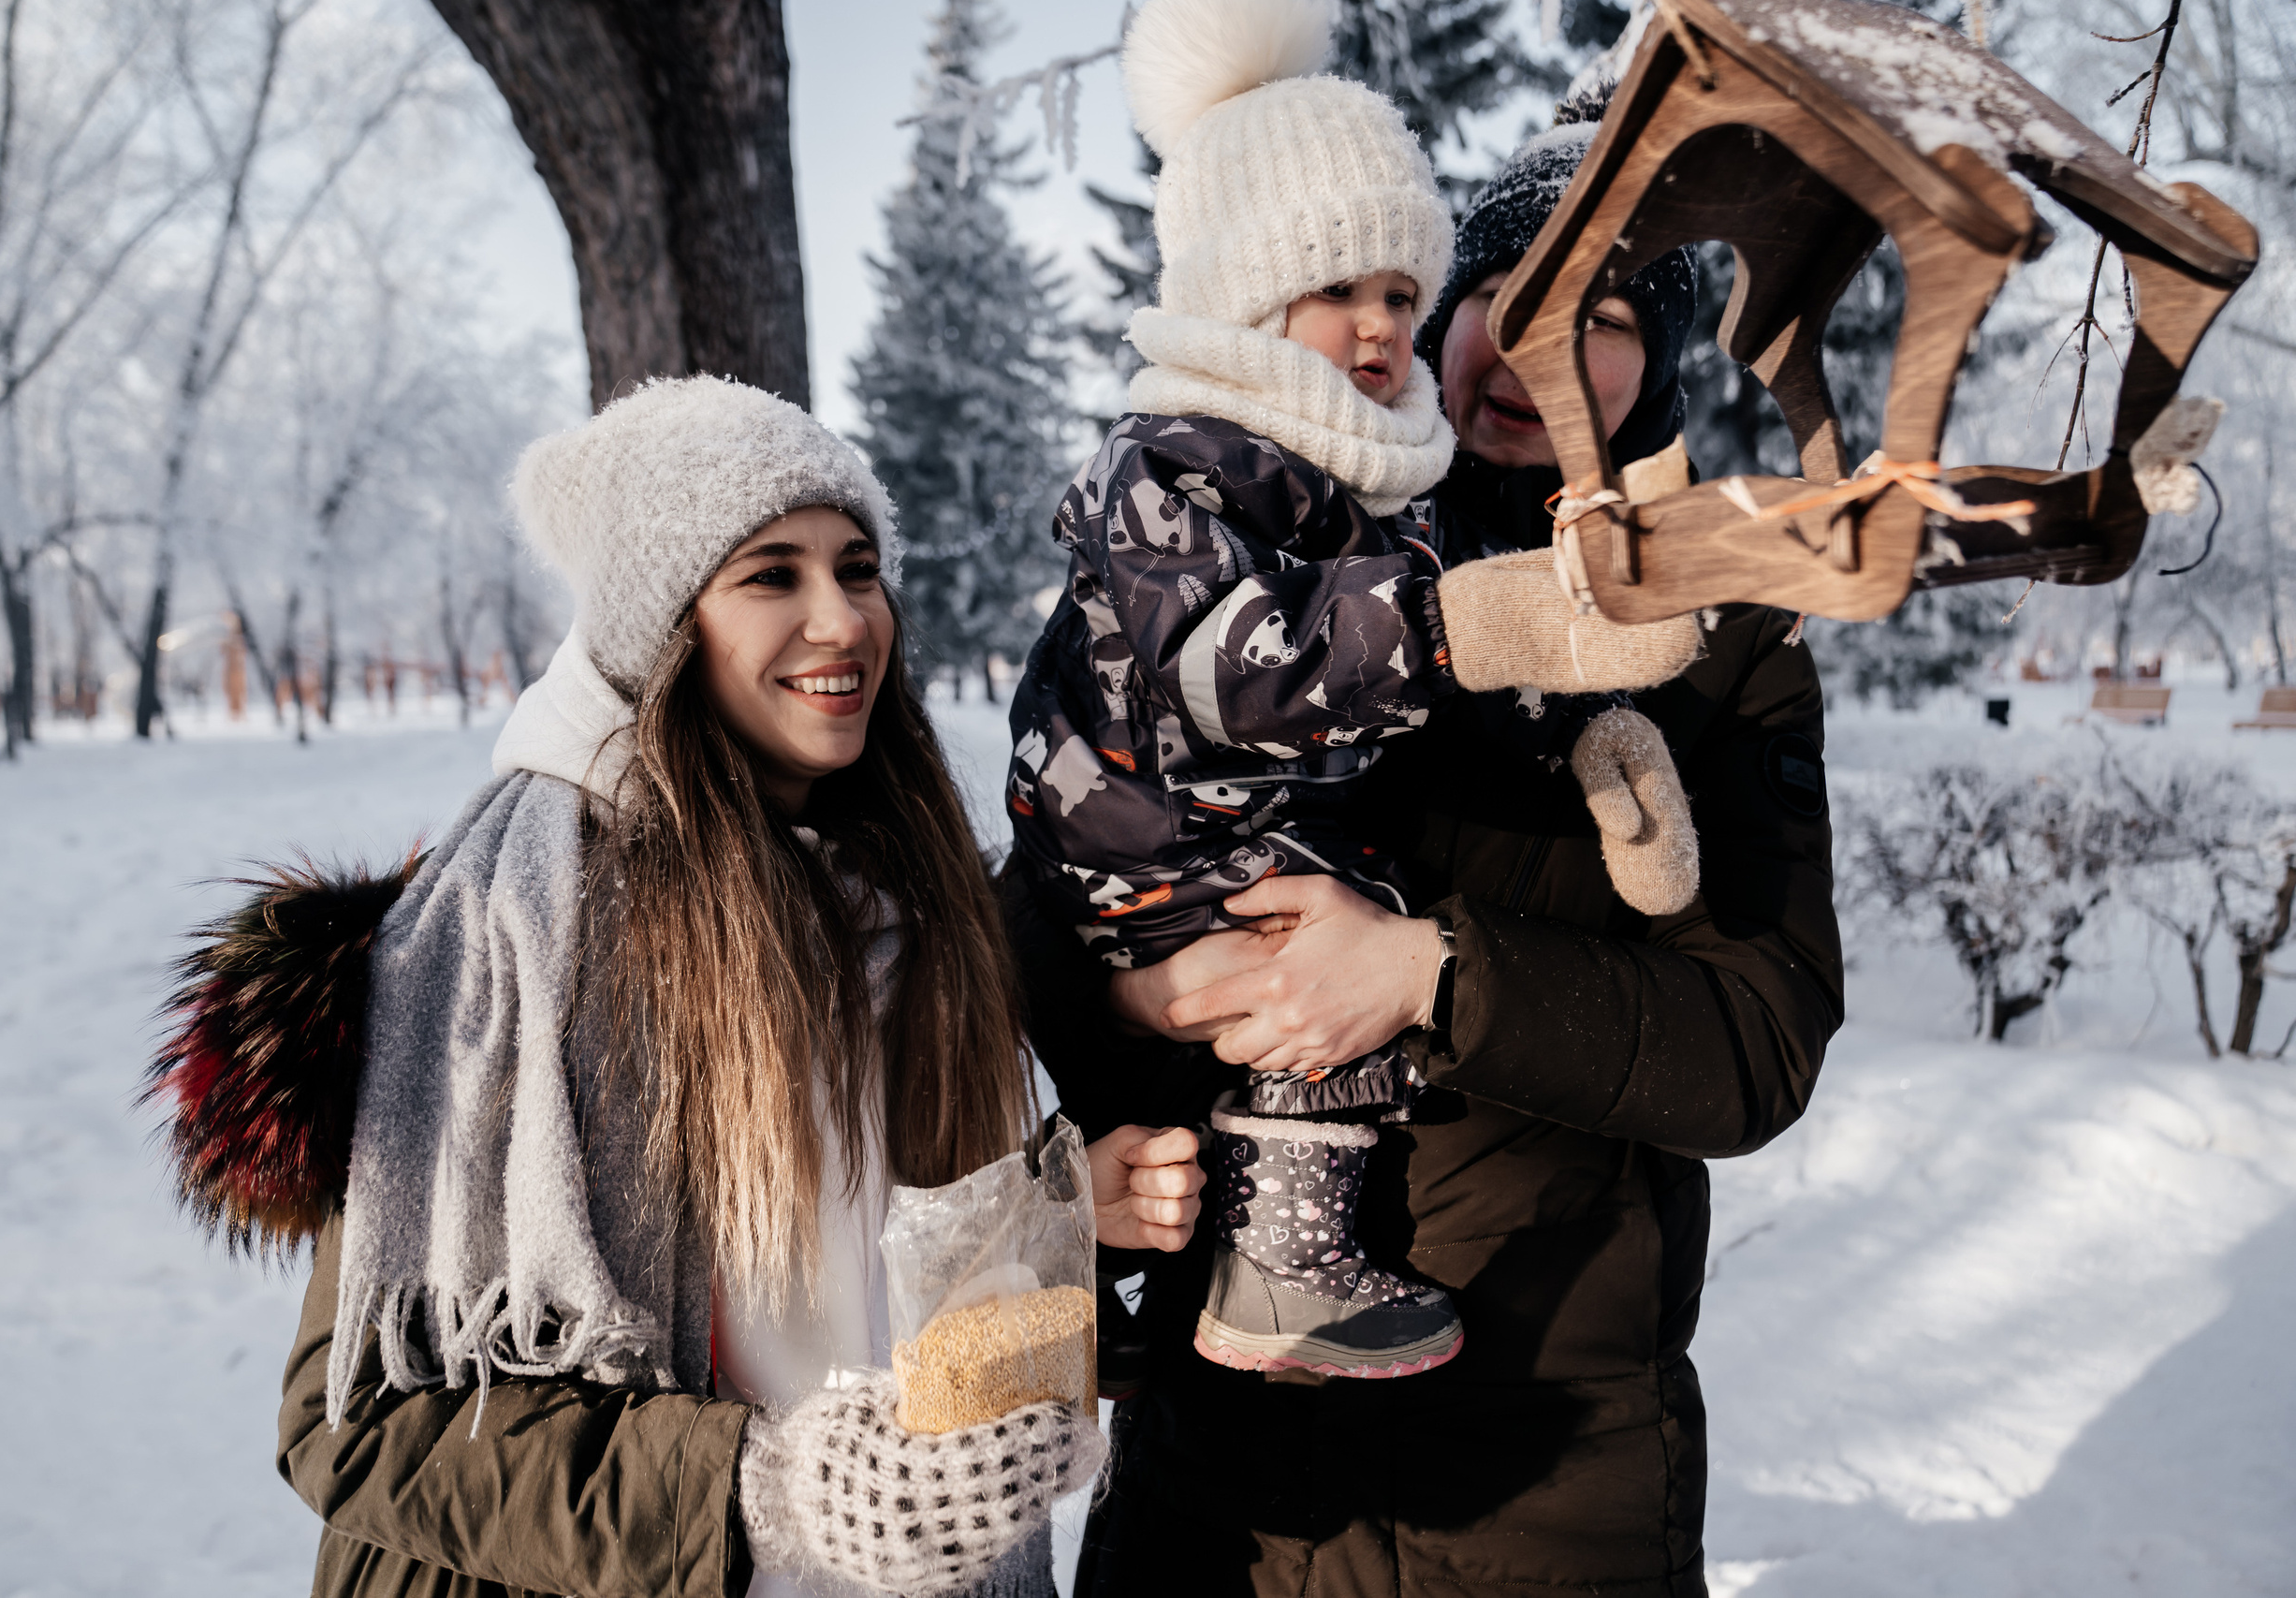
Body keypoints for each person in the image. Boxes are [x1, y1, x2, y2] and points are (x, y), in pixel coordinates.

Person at [146, 376, 1207, 1598]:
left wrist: (1061, 1208)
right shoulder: (510, 942)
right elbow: (361, 1422)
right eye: (772, 575)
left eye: (857, 569)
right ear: (665, 623)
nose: (842, 621)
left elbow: (856, 1262)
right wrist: (778, 1492)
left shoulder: (916, 910)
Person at [1007, 100, 1844, 1597]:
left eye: (1601, 320)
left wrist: (1427, 975)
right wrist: (1144, 1011)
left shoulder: (1720, 644)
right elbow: (1043, 917)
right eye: (1502, 302)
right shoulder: (1264, 554)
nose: (1537, 354)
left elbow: (1756, 1045)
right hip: (1224, 1494)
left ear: (1654, 372)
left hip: (1544, 1489)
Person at [1007, 0, 1704, 1386]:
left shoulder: (1387, 492)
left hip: (1560, 1369)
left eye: (1402, 291)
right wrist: (1470, 623)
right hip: (1139, 834)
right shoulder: (1175, 461)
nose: (1385, 325)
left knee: (1339, 978)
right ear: (1249, 296)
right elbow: (1250, 667)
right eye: (1350, 293)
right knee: (1306, 988)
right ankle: (1271, 1268)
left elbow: (1462, 673)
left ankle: (1275, 1263)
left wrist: (1596, 734)